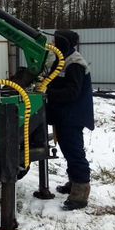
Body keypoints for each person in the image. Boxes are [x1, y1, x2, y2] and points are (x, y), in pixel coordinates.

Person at [46, 30, 94, 210]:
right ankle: (73, 182)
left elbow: (72, 92)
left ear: (63, 43)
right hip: (63, 114)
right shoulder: (61, 60)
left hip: (73, 116)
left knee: (74, 152)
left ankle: (80, 193)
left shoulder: (74, 64)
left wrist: (47, 92)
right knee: (68, 150)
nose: (52, 43)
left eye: (55, 41)